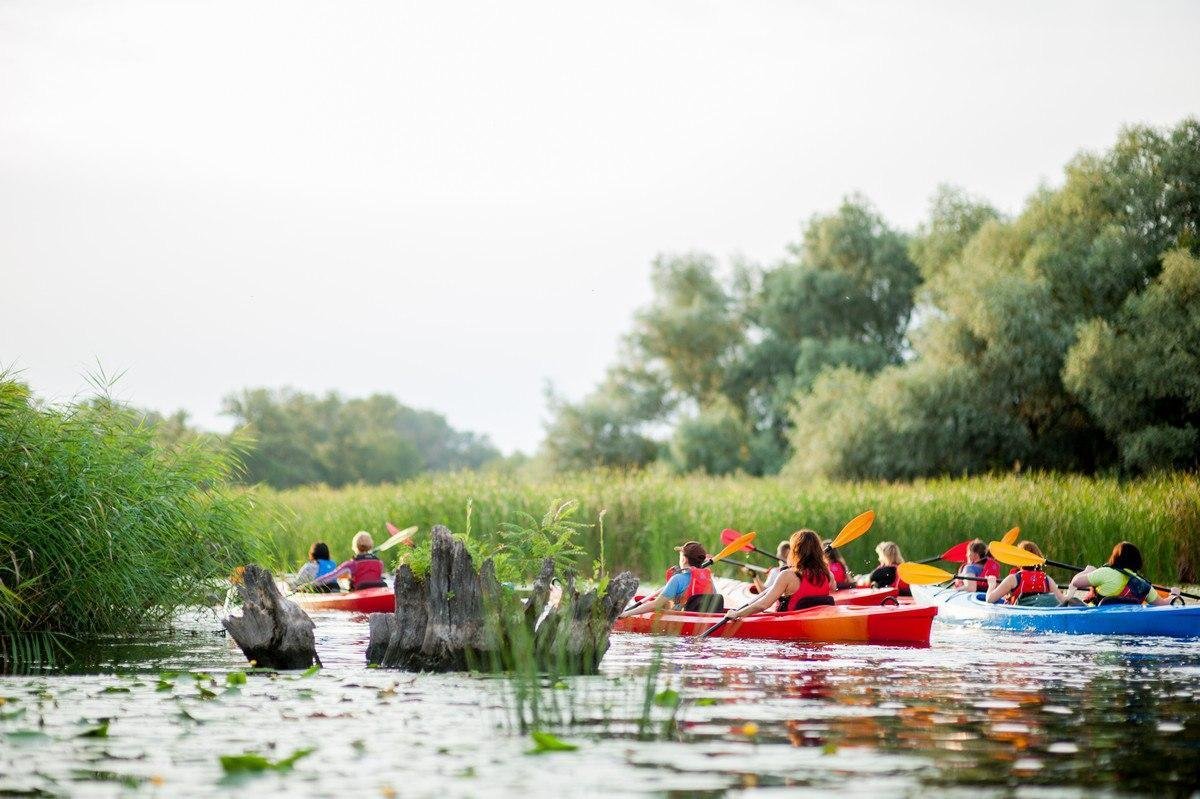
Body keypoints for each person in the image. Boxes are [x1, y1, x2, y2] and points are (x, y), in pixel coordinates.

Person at [720, 529, 834, 622]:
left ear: (795, 551)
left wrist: (737, 613)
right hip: (817, 623)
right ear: (819, 551)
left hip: (788, 630)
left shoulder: (787, 576)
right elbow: (833, 589)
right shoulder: (828, 574)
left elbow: (763, 605)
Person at [619, 541, 725, 618]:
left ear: (684, 559)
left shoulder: (677, 579)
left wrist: (628, 613)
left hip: (684, 620)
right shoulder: (708, 579)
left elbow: (655, 605)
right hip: (707, 620)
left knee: (662, 604)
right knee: (667, 602)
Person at [1067, 541, 1180, 606]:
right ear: (1137, 562)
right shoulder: (1143, 585)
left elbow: (1075, 582)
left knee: (1071, 602)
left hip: (1095, 620)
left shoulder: (1104, 572)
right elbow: (1164, 605)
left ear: (1115, 558)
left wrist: (1088, 571)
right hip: (1126, 621)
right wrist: (1174, 595)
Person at [984, 542, 1064, 606]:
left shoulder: (1013, 579)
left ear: (1019, 558)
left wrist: (991, 585)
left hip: (1023, 617)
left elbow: (990, 600)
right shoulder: (1046, 579)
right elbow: (1063, 601)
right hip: (1042, 613)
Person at [322, 531, 388, 591]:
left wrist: (314, 582)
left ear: (355, 546)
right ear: (370, 545)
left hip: (360, 593)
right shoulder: (379, 563)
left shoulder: (352, 564)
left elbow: (331, 576)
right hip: (377, 593)